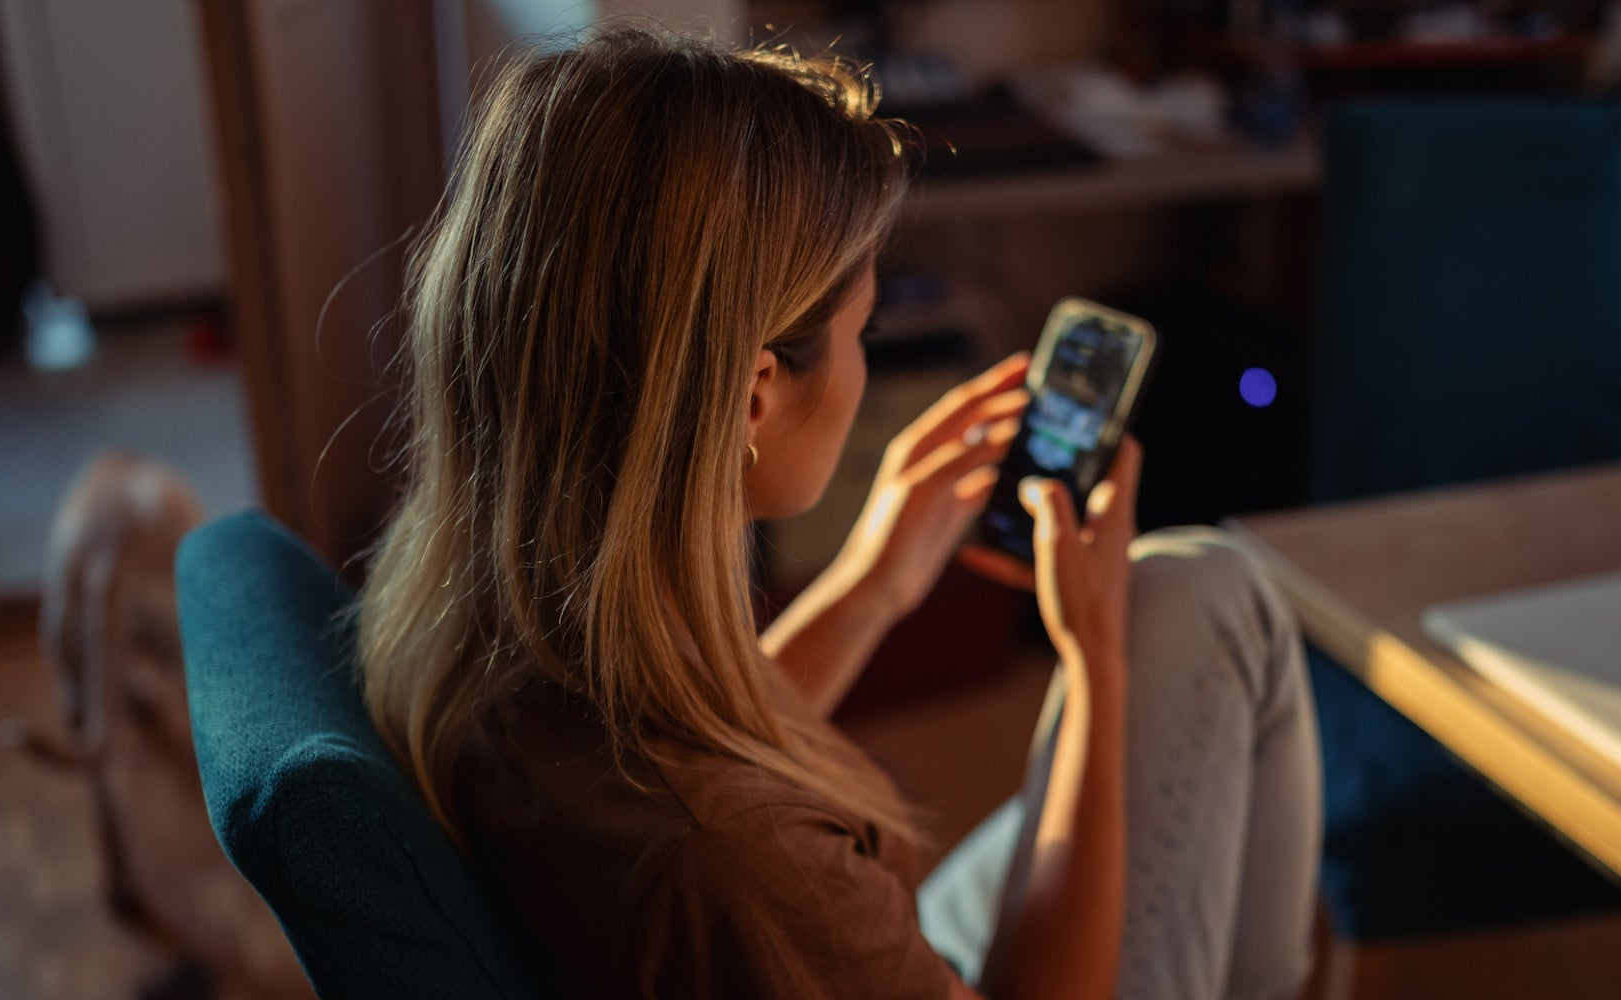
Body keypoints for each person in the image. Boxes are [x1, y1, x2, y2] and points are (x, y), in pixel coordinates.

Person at [353, 25, 1320, 1000]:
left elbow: (707, 745)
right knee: (1214, 592)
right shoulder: (735, 859)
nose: (863, 363)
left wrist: (872, 585)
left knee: (1195, 593)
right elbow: (733, 823)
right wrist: (1095, 660)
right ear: (753, 398)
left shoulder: (483, 641)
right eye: (864, 327)